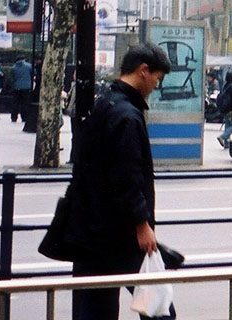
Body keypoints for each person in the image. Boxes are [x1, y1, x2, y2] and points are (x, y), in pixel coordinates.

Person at [65, 42, 171, 320]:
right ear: (144, 71)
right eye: (157, 79)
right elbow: (126, 176)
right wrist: (142, 224)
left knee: (97, 304)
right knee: (158, 304)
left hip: (93, 227)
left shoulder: (105, 104)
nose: (155, 87)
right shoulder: (127, 116)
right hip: (121, 231)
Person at [216, 71, 232, 148]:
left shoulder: (225, 86)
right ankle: (222, 137)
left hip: (224, 109)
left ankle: (227, 143)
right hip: (231, 110)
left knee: (228, 125)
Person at [10, 57, 33, 123]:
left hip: (16, 87)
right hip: (26, 87)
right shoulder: (29, 66)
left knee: (15, 103)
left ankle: (14, 117)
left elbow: (13, 77)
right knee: (25, 103)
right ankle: (24, 117)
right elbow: (33, 73)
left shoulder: (14, 67)